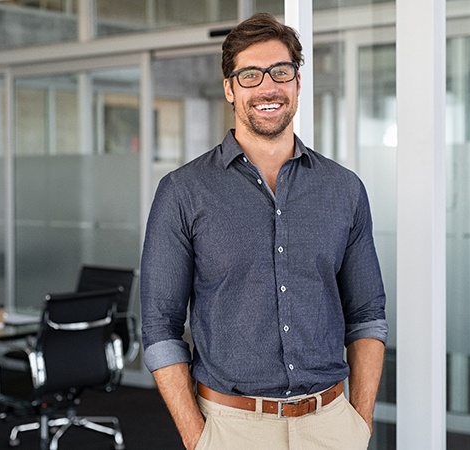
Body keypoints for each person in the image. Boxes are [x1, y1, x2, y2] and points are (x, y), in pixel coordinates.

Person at [140, 12, 387, 450]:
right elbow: (160, 328)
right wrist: (197, 438)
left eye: (281, 72)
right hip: (230, 429)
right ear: (230, 89)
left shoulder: (344, 189)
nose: (267, 87)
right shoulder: (182, 191)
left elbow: (367, 315)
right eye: (250, 75)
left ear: (296, 83)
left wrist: (359, 423)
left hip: (330, 426)